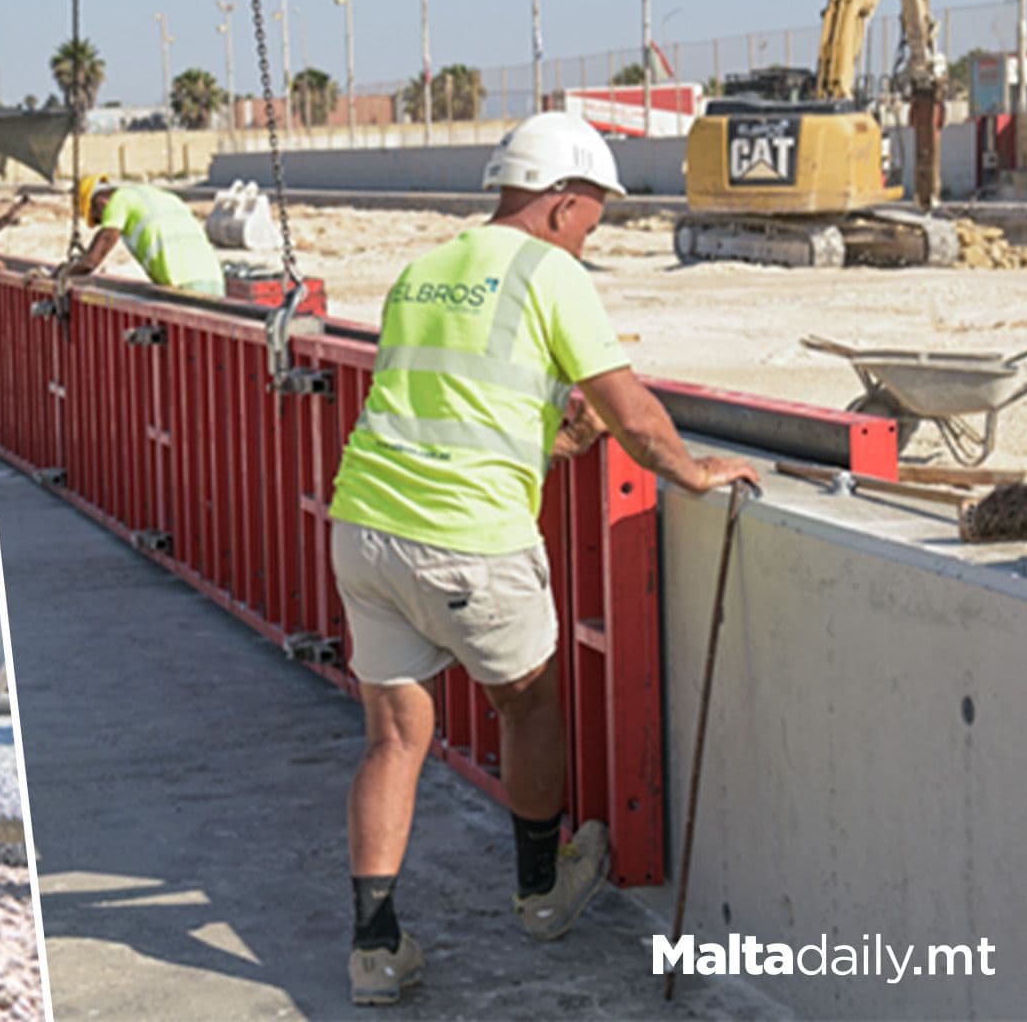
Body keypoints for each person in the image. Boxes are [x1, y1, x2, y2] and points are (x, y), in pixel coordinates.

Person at [329, 113, 760, 1006]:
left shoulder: (426, 267)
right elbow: (632, 412)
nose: (589, 237)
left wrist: (548, 444)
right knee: (528, 706)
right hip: (469, 540)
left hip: (364, 525)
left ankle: (374, 950)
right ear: (563, 204)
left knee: (393, 739)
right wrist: (692, 471)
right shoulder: (550, 272)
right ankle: (540, 892)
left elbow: (447, 404)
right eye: (592, 220)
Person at [61, 175, 225, 296]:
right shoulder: (165, 197)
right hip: (214, 280)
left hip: (182, 284)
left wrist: (63, 276)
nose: (103, 222)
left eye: (98, 219)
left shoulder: (119, 200)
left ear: (100, 202)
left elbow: (91, 262)